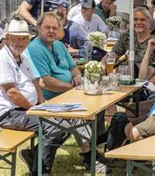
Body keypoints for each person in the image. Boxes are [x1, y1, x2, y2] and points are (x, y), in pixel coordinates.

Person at [26, 13, 109, 173]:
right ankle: (89, 157)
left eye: (54, 28)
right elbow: (45, 81)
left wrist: (77, 76)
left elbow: (73, 67)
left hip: (69, 95)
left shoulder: (58, 45)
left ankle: (96, 145)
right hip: (50, 101)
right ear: (38, 28)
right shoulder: (35, 48)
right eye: (47, 27)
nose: (51, 31)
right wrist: (71, 87)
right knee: (80, 116)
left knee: (99, 105)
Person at [0, 18, 67, 174]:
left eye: (24, 38)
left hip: (25, 110)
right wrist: (33, 108)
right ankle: (40, 172)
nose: (20, 42)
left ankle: (33, 156)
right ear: (7, 38)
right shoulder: (2, 58)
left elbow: (35, 81)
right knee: (54, 127)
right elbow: (12, 93)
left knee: (66, 122)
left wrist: (41, 103)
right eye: (16, 38)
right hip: (10, 114)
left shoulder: (22, 56)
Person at [112, 7, 155, 75]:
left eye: (142, 20)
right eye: (135, 19)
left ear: (149, 22)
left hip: (147, 79)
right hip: (125, 78)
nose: (138, 22)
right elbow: (113, 56)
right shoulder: (126, 37)